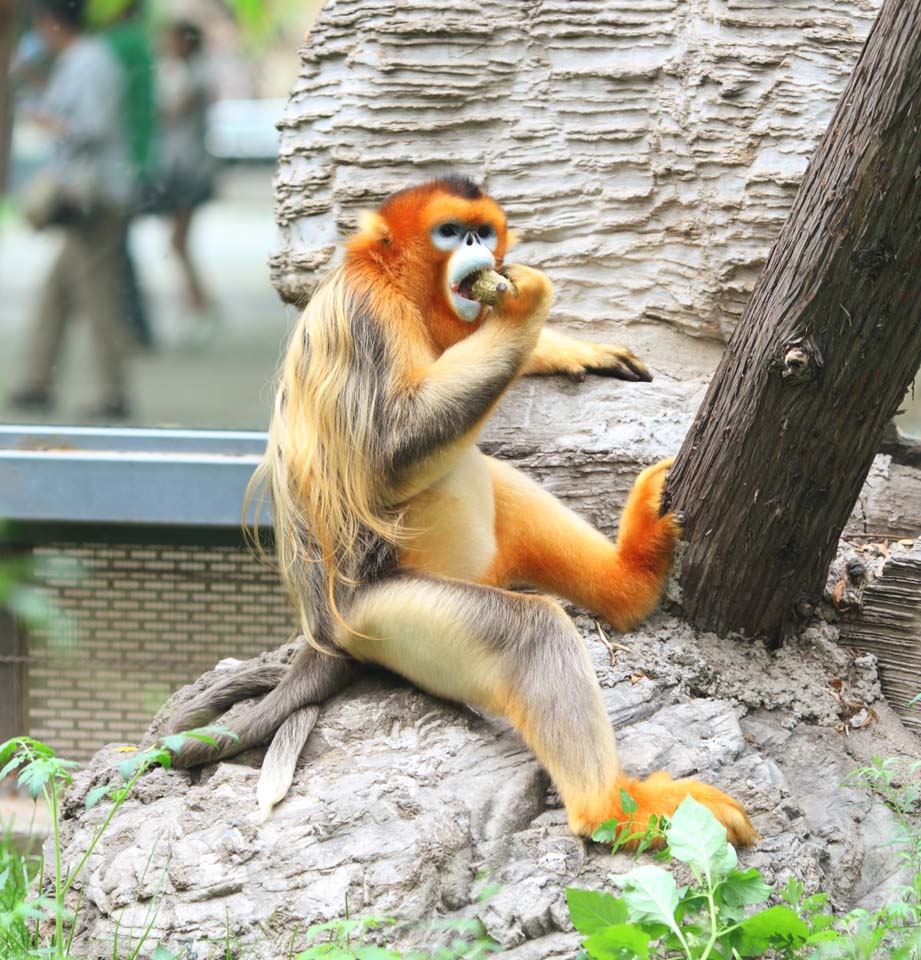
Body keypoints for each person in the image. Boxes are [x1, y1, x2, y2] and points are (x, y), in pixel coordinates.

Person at [9, 0, 133, 419]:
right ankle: (37, 382)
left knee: (96, 296)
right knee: (56, 294)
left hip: (95, 199)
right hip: (85, 196)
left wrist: (47, 121)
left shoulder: (90, 61)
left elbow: (91, 126)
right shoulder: (81, 60)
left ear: (52, 23)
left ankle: (112, 392)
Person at [154, 20, 216, 343]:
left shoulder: (194, 77)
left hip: (187, 169)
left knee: (178, 243)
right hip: (183, 167)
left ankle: (201, 304)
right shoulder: (185, 74)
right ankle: (196, 303)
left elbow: (170, 113)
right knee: (178, 243)